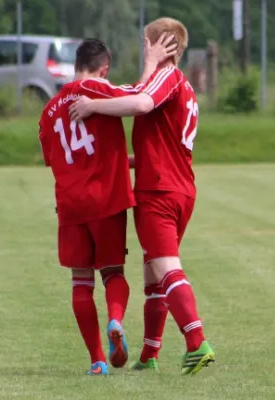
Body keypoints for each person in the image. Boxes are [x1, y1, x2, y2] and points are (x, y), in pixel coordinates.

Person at [68, 18, 215, 375]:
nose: (143, 49)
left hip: (160, 191)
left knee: (166, 268)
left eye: (146, 43)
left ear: (161, 45)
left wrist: (92, 106)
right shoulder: (171, 84)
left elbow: (140, 104)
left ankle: (198, 344)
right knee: (153, 274)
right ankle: (149, 355)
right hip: (174, 185)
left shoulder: (167, 78)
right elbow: (140, 105)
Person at [38, 38, 176, 376]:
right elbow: (142, 96)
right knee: (113, 273)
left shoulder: (49, 109)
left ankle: (97, 360)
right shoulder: (98, 89)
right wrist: (151, 61)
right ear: (105, 69)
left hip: (70, 205)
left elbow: (59, 158)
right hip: (106, 200)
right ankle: (115, 319)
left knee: (80, 282)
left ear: (75, 65)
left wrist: (126, 160)